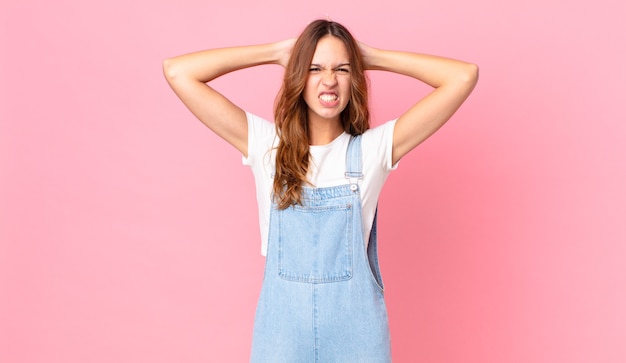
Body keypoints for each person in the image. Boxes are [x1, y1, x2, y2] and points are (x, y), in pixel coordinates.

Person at [163, 19, 478, 363]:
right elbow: (178, 72)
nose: (329, 80)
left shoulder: (372, 152)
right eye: (314, 68)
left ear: (354, 78)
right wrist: (274, 53)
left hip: (356, 339)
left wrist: (371, 56)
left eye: (342, 69)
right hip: (282, 338)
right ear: (299, 76)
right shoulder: (268, 147)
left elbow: (463, 77)